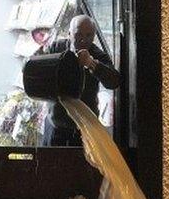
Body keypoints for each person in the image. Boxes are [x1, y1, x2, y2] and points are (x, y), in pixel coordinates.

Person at [42, 14, 122, 146]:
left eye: (89, 35)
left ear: (94, 36)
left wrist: (92, 64)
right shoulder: (55, 48)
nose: (83, 40)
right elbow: (29, 67)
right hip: (55, 124)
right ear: (69, 34)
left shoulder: (97, 54)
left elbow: (114, 81)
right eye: (78, 34)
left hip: (84, 127)